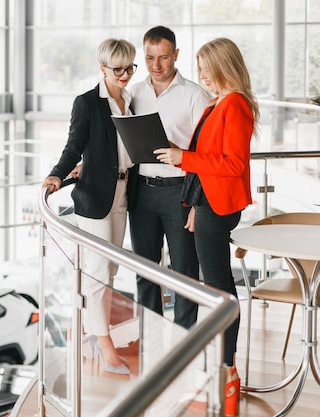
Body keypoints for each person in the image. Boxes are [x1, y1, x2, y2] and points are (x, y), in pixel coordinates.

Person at [154, 37, 258, 416]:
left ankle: (225, 369)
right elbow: (209, 158)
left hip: (219, 206)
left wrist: (184, 157)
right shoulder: (219, 104)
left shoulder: (236, 105)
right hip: (207, 203)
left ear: (223, 66)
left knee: (219, 293)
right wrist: (186, 171)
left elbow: (232, 164)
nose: (202, 77)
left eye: (206, 69)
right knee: (214, 289)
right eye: (199, 70)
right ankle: (220, 368)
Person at [42, 38, 138, 375]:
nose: (125, 74)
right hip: (95, 196)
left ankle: (94, 333)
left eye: (130, 67)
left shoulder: (130, 100)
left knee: (109, 271)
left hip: (124, 193)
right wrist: (56, 174)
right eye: (118, 69)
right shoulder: (87, 102)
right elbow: (75, 145)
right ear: (102, 68)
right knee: (97, 271)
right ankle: (104, 341)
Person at [128, 26, 210, 329]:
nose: (156, 65)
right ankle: (151, 342)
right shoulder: (133, 93)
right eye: (149, 58)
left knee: (185, 272)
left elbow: (207, 153)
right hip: (142, 193)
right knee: (145, 271)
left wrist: (198, 204)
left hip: (182, 192)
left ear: (176, 54)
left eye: (163, 57)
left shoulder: (195, 95)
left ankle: (184, 344)